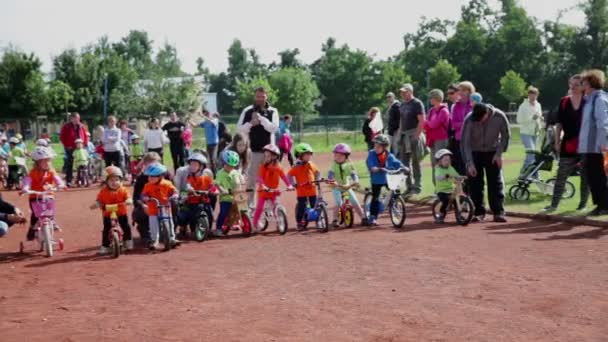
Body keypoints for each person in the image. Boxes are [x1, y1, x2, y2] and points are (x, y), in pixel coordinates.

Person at [543, 75, 589, 213]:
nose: (573, 87)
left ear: (583, 86)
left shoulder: (588, 102)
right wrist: (557, 141)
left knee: (585, 177)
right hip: (568, 144)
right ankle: (554, 205)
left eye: (577, 85)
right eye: (571, 85)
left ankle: (582, 205)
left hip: (586, 145)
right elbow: (559, 123)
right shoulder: (564, 102)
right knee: (561, 176)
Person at [461, 103, 510, 223]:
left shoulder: (499, 116)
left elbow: (505, 136)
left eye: (480, 119)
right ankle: (478, 212)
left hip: (492, 152)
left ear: (487, 114)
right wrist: (469, 162)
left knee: (495, 183)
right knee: (475, 183)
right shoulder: (469, 119)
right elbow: (465, 143)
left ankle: (498, 212)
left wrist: (499, 154)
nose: (478, 122)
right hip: (474, 152)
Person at [236, 87, 280, 208]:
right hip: (253, 151)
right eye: (258, 96)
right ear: (255, 97)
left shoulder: (273, 111)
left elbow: (274, 128)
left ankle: (270, 206)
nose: (260, 99)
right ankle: (251, 206)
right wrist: (250, 123)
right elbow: (239, 129)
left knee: (269, 180)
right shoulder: (248, 110)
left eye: (262, 96)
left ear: (267, 97)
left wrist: (261, 119)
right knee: (252, 180)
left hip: (269, 152)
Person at [578, 69, 608, 216]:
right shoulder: (589, 99)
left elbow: (603, 123)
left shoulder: (599, 99)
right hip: (588, 147)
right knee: (592, 176)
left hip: (597, 147)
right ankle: (600, 205)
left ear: (590, 83)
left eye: (583, 82)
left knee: (598, 177)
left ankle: (603, 206)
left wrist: (603, 145)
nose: (581, 84)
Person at [21, 146, 66, 240]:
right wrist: (25, 188)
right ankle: (32, 229)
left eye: (48, 160)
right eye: (44, 161)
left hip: (48, 195)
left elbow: (57, 179)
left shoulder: (51, 172)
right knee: (35, 214)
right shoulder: (33, 173)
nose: (47, 163)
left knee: (50, 209)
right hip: (35, 196)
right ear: (37, 163)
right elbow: (27, 181)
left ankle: (52, 221)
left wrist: (61, 184)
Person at [90, 166, 134, 255]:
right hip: (107, 214)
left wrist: (128, 200)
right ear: (106, 181)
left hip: (121, 212)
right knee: (106, 229)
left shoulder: (123, 190)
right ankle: (105, 246)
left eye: (116, 180)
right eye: (111, 180)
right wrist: (97, 204)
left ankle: (127, 241)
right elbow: (99, 200)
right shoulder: (103, 191)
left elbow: (128, 197)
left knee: (126, 226)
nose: (114, 182)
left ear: (121, 180)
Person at [174, 152, 215, 239]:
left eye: (195, 165)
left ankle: (208, 228)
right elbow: (187, 186)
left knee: (210, 214)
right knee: (184, 213)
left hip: (203, 199)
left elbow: (212, 186)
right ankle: (183, 227)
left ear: (201, 166)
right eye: (191, 165)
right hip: (190, 198)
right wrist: (189, 190)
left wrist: (214, 191)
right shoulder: (189, 176)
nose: (192, 167)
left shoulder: (207, 176)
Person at [366, 134, 404, 226]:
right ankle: (373, 216)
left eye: (378, 146)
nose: (376, 147)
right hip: (376, 179)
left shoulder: (388, 155)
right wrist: (373, 168)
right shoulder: (372, 154)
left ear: (384, 147)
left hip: (388, 178)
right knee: (375, 197)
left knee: (394, 190)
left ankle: (394, 202)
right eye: (375, 145)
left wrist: (404, 167)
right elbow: (370, 162)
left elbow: (396, 162)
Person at [140, 163, 180, 250]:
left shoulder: (167, 183)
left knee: (170, 222)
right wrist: (145, 198)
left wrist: (175, 195)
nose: (150, 178)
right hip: (153, 208)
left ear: (160, 176)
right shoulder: (147, 186)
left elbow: (174, 191)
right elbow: (143, 194)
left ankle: (172, 238)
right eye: (149, 176)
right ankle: (154, 240)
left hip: (165, 207)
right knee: (153, 224)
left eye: (153, 177)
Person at [252, 144, 293, 231]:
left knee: (276, 206)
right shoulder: (263, 167)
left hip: (274, 191)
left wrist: (289, 185)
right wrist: (263, 185)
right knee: (259, 208)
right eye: (265, 155)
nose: (266, 157)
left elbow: (284, 177)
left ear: (274, 157)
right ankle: (255, 223)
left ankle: (279, 223)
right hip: (263, 192)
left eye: (268, 155)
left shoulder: (278, 167)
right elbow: (260, 177)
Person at [328, 143, 366, 226]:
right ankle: (335, 219)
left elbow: (353, 174)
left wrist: (356, 181)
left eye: (340, 156)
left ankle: (363, 217)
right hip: (336, 187)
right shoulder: (333, 165)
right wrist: (332, 181)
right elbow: (330, 176)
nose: (337, 157)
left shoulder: (349, 164)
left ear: (346, 157)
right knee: (338, 202)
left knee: (355, 201)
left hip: (347, 186)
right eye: (336, 155)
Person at [398, 84, 426, 195]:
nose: (402, 94)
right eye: (401, 92)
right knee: (404, 163)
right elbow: (401, 121)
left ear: (410, 91)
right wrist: (400, 135)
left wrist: (417, 135)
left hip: (414, 133)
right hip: (404, 135)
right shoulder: (403, 105)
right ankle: (408, 186)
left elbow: (422, 120)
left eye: (405, 92)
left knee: (416, 162)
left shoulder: (417, 103)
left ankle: (417, 187)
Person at [288, 143, 321, 230]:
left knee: (315, 206)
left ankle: (318, 221)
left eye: (309, 154)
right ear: (299, 156)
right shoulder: (296, 167)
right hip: (301, 191)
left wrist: (317, 180)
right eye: (306, 155)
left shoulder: (311, 164)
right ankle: (299, 222)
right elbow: (289, 175)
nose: (309, 157)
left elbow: (317, 172)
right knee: (301, 207)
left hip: (312, 190)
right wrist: (293, 183)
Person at [132, 152, 163, 243]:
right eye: (149, 164)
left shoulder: (166, 175)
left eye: (156, 163)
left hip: (163, 203)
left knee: (175, 205)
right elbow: (136, 198)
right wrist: (143, 205)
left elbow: (172, 191)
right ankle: (144, 231)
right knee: (139, 213)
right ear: (144, 165)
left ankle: (169, 231)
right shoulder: (141, 178)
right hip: (148, 204)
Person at [424, 89, 450, 185]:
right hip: (432, 140)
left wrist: (427, 123)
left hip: (441, 139)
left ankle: (443, 187)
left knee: (441, 163)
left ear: (436, 98)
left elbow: (433, 125)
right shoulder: (431, 110)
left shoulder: (444, 111)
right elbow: (426, 125)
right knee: (434, 163)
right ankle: (436, 187)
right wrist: (427, 123)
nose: (430, 99)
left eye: (431, 97)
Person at [449, 82, 475, 175]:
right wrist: (465, 123)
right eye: (459, 90)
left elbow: (474, 122)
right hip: (459, 139)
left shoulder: (473, 105)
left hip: (472, 139)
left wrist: (463, 123)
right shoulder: (456, 105)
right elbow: (453, 124)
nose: (461, 92)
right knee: (459, 166)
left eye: (464, 90)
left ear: (469, 91)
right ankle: (462, 188)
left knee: (471, 165)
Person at [517, 86, 544, 178]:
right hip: (525, 133)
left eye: (535, 95)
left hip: (535, 133)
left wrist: (540, 118)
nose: (533, 97)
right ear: (528, 95)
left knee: (534, 155)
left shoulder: (538, 105)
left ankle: (534, 175)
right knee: (531, 154)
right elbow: (519, 120)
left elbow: (539, 116)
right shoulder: (523, 106)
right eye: (531, 95)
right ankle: (523, 173)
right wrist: (531, 118)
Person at [214, 150, 242, 237]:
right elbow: (217, 184)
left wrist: (242, 181)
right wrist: (222, 190)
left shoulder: (235, 172)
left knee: (241, 209)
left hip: (235, 195)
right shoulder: (220, 173)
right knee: (224, 212)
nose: (230, 168)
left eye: (232, 166)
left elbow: (240, 180)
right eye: (228, 165)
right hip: (225, 197)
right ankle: (218, 228)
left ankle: (237, 222)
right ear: (224, 163)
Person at [59, 112, 89, 186]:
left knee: (81, 164)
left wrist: (85, 144)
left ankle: (81, 179)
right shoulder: (66, 126)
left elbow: (85, 136)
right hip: (70, 148)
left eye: (78, 118)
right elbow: (62, 137)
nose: (77, 120)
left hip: (80, 148)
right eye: (75, 118)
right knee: (70, 164)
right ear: (71, 118)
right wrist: (67, 145)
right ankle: (69, 180)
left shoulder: (81, 126)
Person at [433, 149, 462, 224]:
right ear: (440, 161)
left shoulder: (450, 168)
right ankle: (441, 215)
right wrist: (444, 176)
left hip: (450, 189)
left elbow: (456, 175)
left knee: (456, 200)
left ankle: (458, 216)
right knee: (445, 200)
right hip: (441, 190)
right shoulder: (438, 169)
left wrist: (460, 177)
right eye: (445, 160)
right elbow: (438, 177)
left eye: (449, 160)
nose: (448, 161)